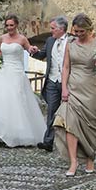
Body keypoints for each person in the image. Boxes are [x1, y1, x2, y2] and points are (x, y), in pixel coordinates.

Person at [0, 14, 46, 147]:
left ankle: (18, 134)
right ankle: (1, 132)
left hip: (17, 73)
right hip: (4, 70)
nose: (9, 28)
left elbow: (29, 49)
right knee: (1, 100)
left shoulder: (22, 39)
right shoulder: (2, 38)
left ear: (16, 25)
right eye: (7, 25)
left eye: (12, 25)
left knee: (17, 102)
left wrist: (33, 49)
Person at [53, 13, 96, 176]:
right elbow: (66, 67)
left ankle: (90, 158)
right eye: (75, 31)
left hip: (90, 90)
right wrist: (64, 88)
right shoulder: (70, 44)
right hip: (73, 89)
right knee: (69, 124)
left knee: (90, 126)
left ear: (89, 30)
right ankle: (73, 162)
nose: (77, 34)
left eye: (81, 32)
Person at [32, 15, 69, 152]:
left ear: (61, 29)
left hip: (67, 82)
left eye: (53, 28)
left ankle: (68, 141)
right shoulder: (50, 40)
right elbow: (42, 55)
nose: (51, 30)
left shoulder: (71, 41)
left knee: (68, 113)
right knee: (51, 111)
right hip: (52, 81)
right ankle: (48, 141)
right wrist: (34, 52)